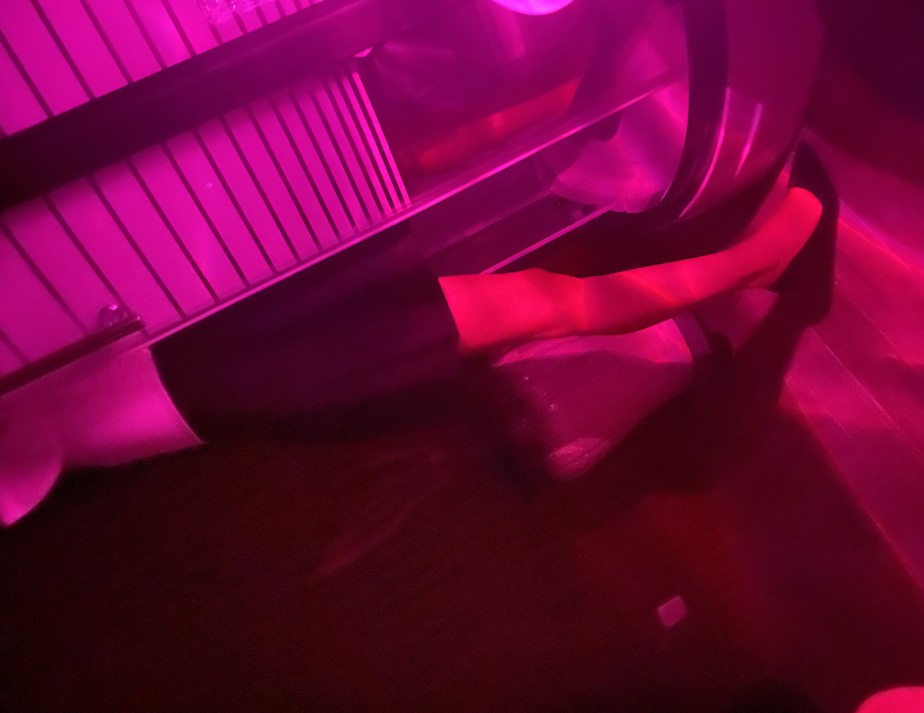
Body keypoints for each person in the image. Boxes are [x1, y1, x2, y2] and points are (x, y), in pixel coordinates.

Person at [0, 186, 822, 526]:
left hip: (129, 308)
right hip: (172, 374)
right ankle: (750, 264)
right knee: (535, 301)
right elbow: (22, 469)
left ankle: (744, 258)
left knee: (487, 263)